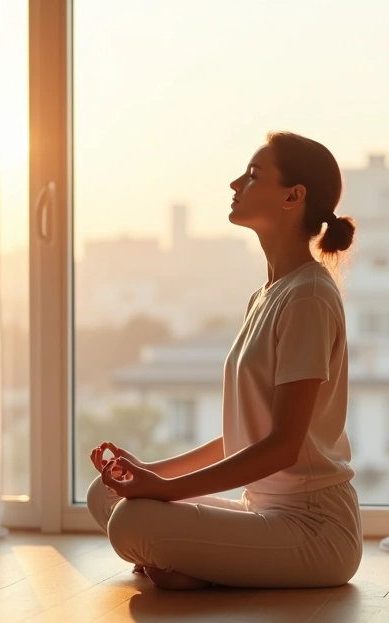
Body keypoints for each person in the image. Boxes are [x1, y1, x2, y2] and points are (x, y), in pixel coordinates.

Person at [86, 131, 362, 590]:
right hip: (263, 511)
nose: (236, 184)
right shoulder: (267, 295)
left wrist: (166, 490)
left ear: (293, 196)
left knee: (131, 522)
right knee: (105, 494)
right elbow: (246, 436)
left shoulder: (309, 296)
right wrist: (154, 474)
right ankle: (192, 567)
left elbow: (283, 446)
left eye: (253, 175)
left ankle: (191, 566)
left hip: (315, 529)